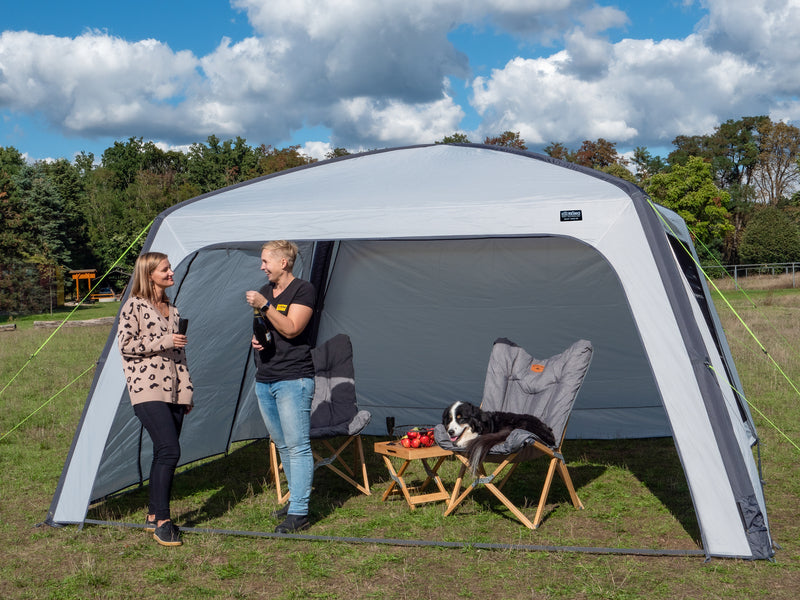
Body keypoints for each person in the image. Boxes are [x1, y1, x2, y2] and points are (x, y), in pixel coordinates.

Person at [117, 252, 193, 546]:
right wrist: (164, 340)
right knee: (169, 450)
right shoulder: (134, 306)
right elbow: (125, 346)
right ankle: (163, 521)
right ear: (150, 274)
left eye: (170, 267)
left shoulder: (172, 310)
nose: (171, 272)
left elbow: (179, 354)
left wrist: (186, 392)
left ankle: (151, 516)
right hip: (146, 390)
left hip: (174, 391)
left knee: (164, 453)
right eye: (165, 269)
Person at [245, 240, 316, 533]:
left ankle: (300, 512)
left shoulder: (303, 290)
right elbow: (267, 330)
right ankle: (296, 498)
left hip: (293, 378)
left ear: (283, 262)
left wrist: (266, 306)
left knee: (298, 446)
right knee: (283, 444)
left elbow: (291, 328)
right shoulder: (264, 292)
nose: (262, 267)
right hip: (265, 378)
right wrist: (258, 341)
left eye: (266, 261)